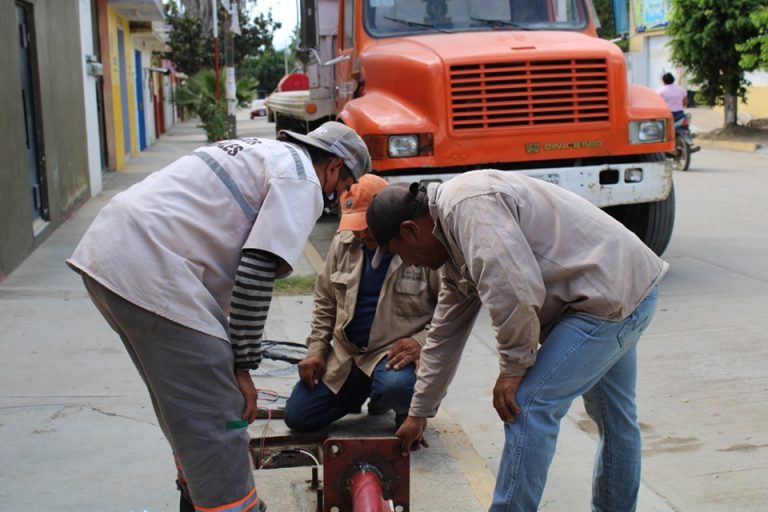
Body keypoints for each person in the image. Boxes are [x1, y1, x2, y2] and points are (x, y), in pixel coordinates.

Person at [67, 121, 371, 512]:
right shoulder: (303, 179)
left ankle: (196, 497)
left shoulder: (260, 152)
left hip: (110, 256)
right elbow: (256, 273)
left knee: (185, 408)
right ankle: (232, 506)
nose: (335, 196)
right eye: (342, 187)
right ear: (333, 167)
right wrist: (242, 366)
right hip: (152, 270)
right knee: (220, 412)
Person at [366, 170, 668, 512]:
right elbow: (444, 333)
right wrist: (419, 412)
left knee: (527, 405)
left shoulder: (469, 208)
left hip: (608, 299)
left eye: (400, 252)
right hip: (622, 285)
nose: (407, 262)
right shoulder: (451, 240)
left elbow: (514, 290)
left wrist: (513, 368)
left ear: (411, 229)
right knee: (615, 419)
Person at [283, 176, 440, 432]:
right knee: (298, 417)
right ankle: (359, 393)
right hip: (348, 356)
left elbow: (450, 312)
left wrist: (420, 342)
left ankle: (397, 404)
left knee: (396, 388)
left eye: (365, 225)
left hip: (392, 356)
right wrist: (316, 352)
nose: (359, 232)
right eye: (353, 224)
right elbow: (325, 302)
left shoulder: (419, 248)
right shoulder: (344, 243)